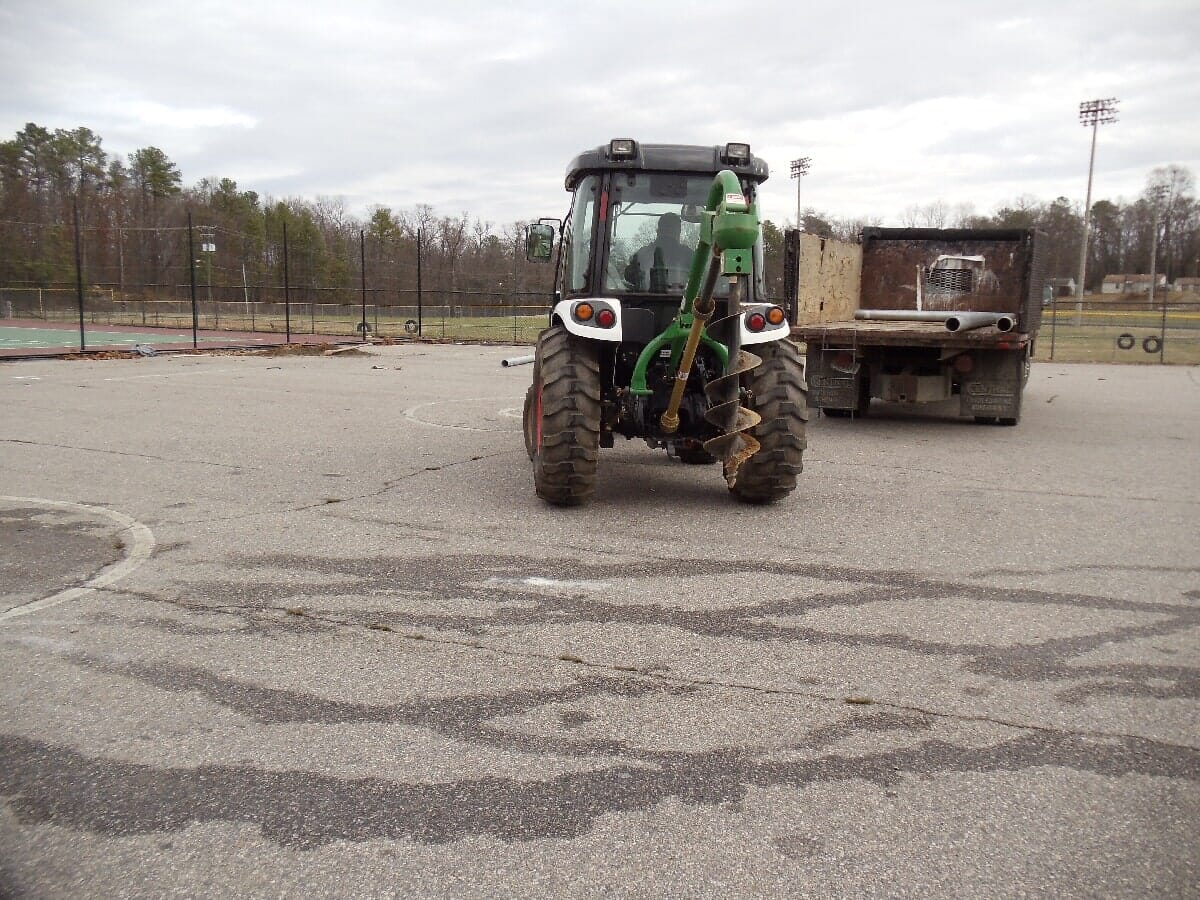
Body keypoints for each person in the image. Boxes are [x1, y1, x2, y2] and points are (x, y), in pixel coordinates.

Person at [624, 213, 694, 292]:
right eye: (668, 229)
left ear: (658, 231)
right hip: (682, 302)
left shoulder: (641, 254)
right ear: (678, 232)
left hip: (645, 301)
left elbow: (629, 279)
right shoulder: (689, 255)